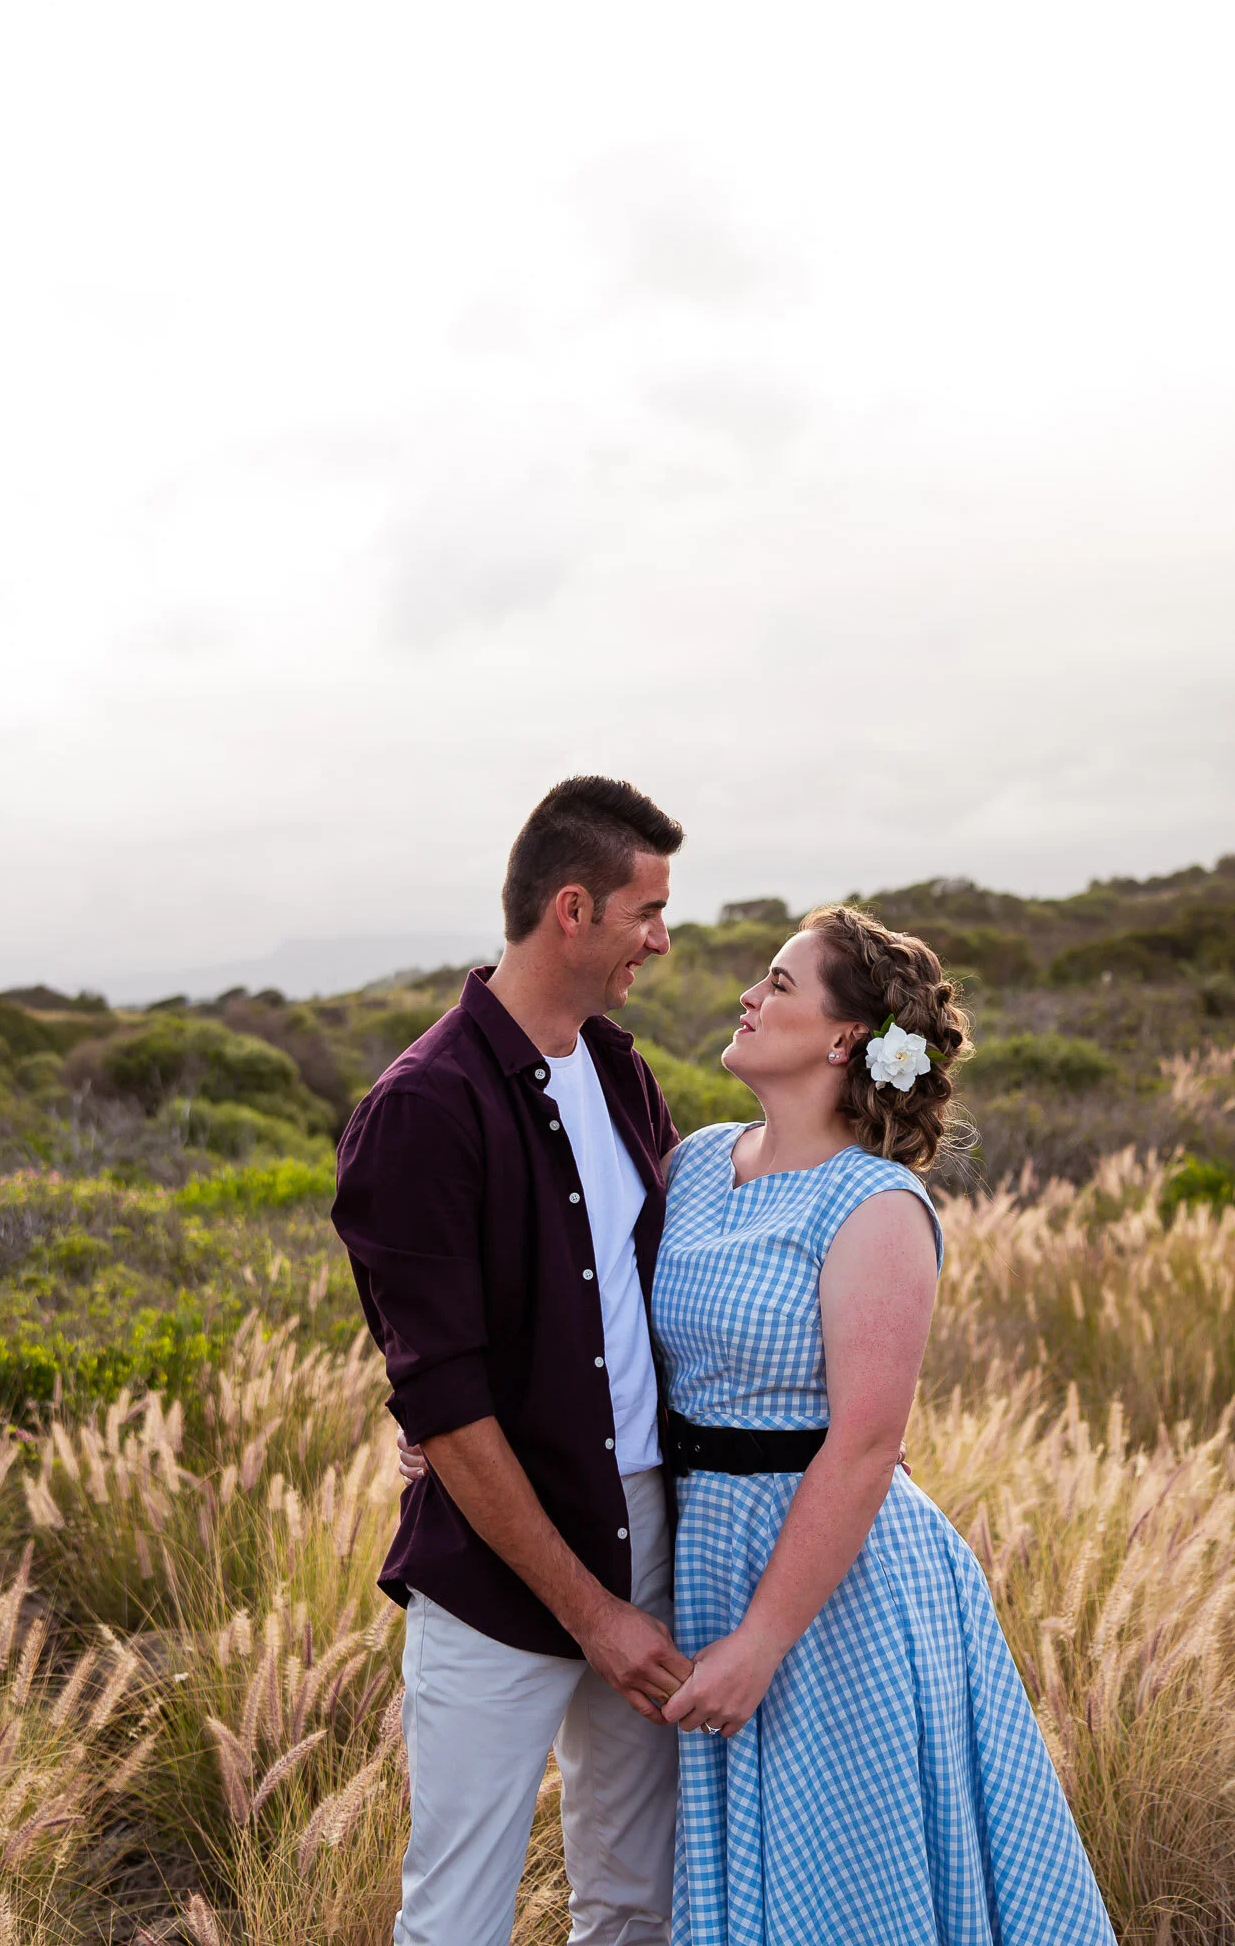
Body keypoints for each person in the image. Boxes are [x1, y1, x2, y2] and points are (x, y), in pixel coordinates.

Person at [653, 904, 1117, 1944]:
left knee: (842, 1887)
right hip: (705, 1554)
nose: (749, 993)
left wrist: (763, 1640)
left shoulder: (875, 1208)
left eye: (778, 980)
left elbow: (866, 1443)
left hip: (835, 1585)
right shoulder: (691, 1166)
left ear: (842, 1036)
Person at [331, 776, 691, 1946]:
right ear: (574, 909)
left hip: (650, 1529)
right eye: (648, 910)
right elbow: (447, 1408)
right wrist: (591, 1613)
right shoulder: (422, 1108)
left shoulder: (621, 1070)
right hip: (499, 1569)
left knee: (636, 1899)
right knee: (460, 1914)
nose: (662, 937)